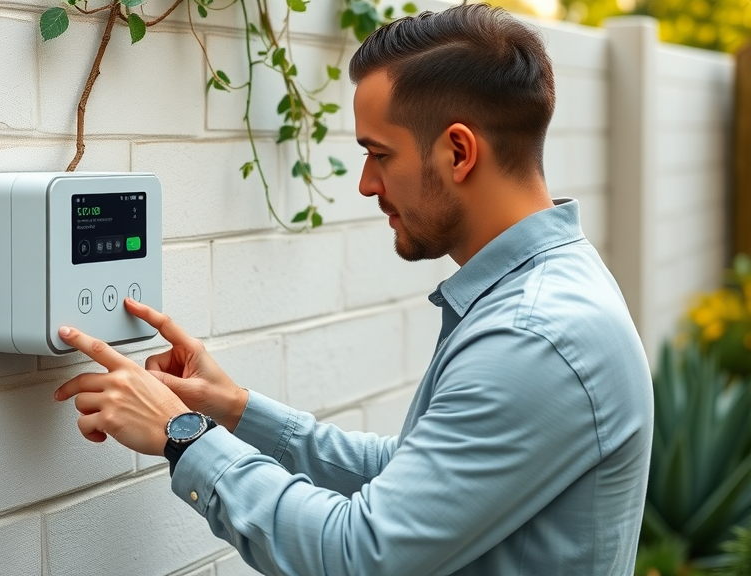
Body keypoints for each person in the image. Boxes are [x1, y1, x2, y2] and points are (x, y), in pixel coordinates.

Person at [53, 4, 654, 575]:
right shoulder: (546, 293)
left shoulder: (533, 335)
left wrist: (184, 436)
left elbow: (357, 557)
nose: (366, 184)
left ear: (459, 151)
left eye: (379, 154)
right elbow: (411, 480)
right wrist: (234, 409)